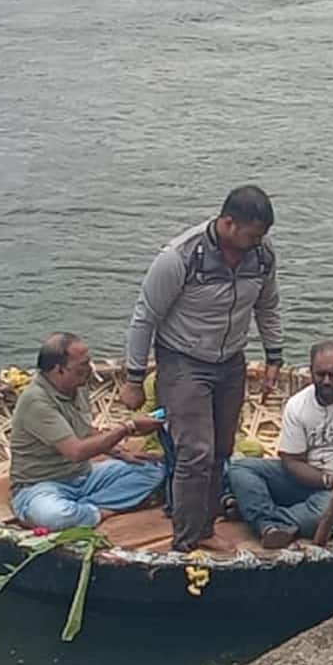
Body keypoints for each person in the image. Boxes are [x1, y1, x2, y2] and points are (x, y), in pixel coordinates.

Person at [120, 185, 285, 553]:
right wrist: (134, 378)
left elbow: (268, 306)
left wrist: (274, 357)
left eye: (262, 236)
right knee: (195, 452)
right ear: (228, 223)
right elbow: (145, 317)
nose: (258, 242)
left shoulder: (262, 255)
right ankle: (187, 539)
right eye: (252, 235)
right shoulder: (180, 257)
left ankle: (206, 525)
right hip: (183, 361)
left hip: (231, 360)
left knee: (221, 449)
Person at [227, 341, 333, 548]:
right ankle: (268, 522)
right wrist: (329, 480)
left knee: (327, 514)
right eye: (320, 374)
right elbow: (292, 461)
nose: (326, 381)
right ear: (311, 372)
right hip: (307, 479)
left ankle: (261, 516)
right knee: (241, 468)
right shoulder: (298, 405)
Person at [10, 332, 166, 530]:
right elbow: (76, 452)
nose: (89, 369)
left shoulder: (77, 386)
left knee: (153, 470)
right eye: (82, 366)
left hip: (83, 475)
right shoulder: (36, 402)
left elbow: (85, 430)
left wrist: (121, 454)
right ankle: (98, 511)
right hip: (40, 486)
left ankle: (84, 510)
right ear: (59, 370)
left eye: (89, 362)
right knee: (56, 515)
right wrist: (127, 428)